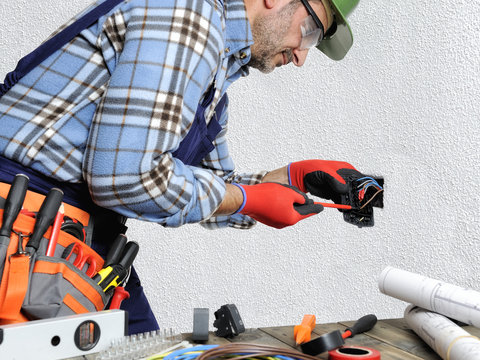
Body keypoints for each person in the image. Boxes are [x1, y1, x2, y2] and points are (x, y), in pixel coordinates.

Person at [0, 0, 363, 334]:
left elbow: (217, 186)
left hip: (76, 237)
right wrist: (245, 199)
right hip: (24, 233)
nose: (302, 55)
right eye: (312, 31)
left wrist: (291, 178)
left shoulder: (216, 65)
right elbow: (125, 178)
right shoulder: (188, 19)